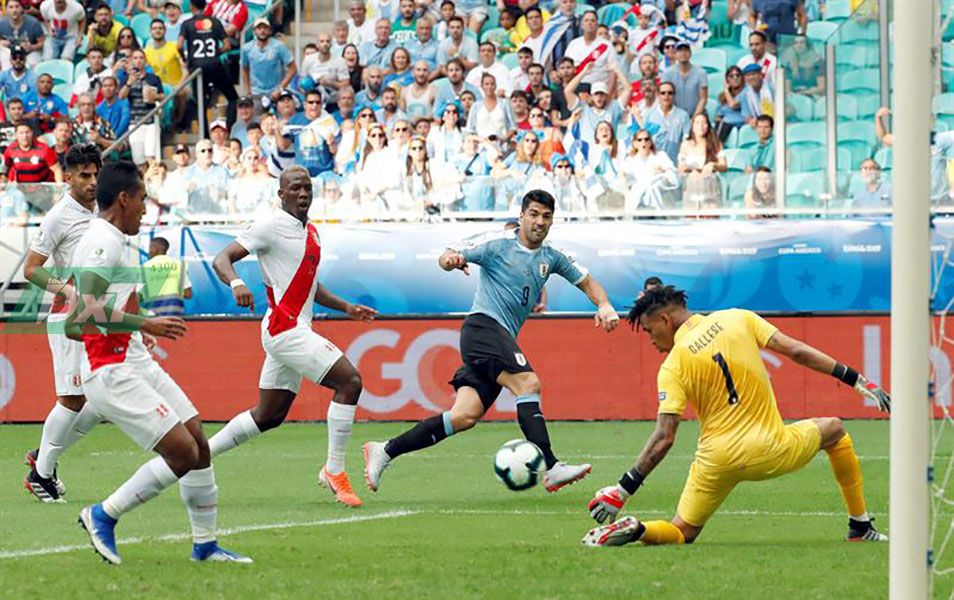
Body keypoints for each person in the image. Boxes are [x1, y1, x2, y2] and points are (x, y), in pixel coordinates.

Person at [583, 285, 889, 546]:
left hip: (717, 461)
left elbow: (665, 436)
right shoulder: (737, 318)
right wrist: (856, 379)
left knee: (681, 532)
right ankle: (860, 527)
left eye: (650, 331)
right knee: (834, 429)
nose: (651, 341)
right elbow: (795, 350)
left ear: (665, 319)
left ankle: (640, 529)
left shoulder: (673, 365)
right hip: (771, 449)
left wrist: (622, 490)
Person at [363, 189, 620, 493]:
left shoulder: (552, 257)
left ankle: (385, 450)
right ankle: (550, 468)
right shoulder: (497, 244)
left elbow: (587, 281)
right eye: (534, 214)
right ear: (521, 216)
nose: (540, 222)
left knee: (464, 416)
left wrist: (603, 304)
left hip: (497, 338)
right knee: (528, 384)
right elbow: (447, 255)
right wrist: (452, 260)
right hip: (482, 328)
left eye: (546, 216)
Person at [70, 160, 251, 564]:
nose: (146, 209)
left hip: (134, 360)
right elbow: (79, 318)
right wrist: (143, 321)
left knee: (199, 443)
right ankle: (103, 514)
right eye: (142, 200)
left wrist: (135, 328)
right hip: (111, 370)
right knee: (183, 453)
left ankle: (205, 547)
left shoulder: (113, 238)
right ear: (124, 199)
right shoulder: (102, 242)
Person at [209, 166, 376, 508]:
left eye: (308, 189)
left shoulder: (312, 232)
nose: (303, 194)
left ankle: (198, 453)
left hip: (292, 329)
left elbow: (310, 286)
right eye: (296, 189)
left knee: (268, 415)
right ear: (281, 194)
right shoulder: (269, 225)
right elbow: (221, 258)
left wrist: (347, 307)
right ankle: (335, 470)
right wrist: (237, 283)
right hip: (284, 329)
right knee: (351, 382)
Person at [21, 145, 102, 503]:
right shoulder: (58, 217)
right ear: (67, 177)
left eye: (95, 174)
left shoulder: (104, 209)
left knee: (99, 402)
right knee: (71, 398)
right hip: (67, 314)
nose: (92, 182)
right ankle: (40, 474)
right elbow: (32, 268)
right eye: (84, 175)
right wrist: (67, 291)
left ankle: (44, 456)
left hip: (96, 313)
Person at [179, 0, 238, 133]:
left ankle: (204, 135)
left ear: (191, 6)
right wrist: (216, 53)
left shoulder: (187, 24)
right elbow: (227, 45)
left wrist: (185, 59)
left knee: (200, 103)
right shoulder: (215, 22)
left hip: (196, 67)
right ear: (206, 6)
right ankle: (228, 129)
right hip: (214, 64)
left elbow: (178, 46)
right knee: (233, 98)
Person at [620, 128, 678, 211]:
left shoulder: (661, 156)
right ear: (635, 143)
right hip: (636, 204)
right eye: (639, 140)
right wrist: (623, 176)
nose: (643, 142)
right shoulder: (630, 160)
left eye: (646, 139)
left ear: (650, 142)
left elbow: (674, 178)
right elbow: (623, 179)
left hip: (658, 204)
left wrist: (664, 170)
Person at [240, 18, 296, 104]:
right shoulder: (247, 48)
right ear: (254, 31)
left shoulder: (279, 46)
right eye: (259, 28)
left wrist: (280, 88)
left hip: (276, 93)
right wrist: (248, 91)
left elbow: (293, 68)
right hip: (256, 93)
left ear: (270, 30)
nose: (262, 31)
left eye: (265, 28)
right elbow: (244, 69)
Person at [678, 112, 727, 209]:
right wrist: (692, 170)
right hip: (692, 184)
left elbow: (724, 166)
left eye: (704, 122)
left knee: (710, 216)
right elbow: (681, 168)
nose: (700, 125)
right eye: (697, 123)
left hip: (710, 185)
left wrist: (713, 165)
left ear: (708, 125)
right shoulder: (685, 144)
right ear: (692, 126)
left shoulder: (716, 143)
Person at [140, 236, 192, 316]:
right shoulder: (179, 265)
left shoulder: (143, 268)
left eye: (150, 248)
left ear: (154, 249)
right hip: (175, 318)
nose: (149, 251)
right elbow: (188, 294)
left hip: (151, 321)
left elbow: (135, 297)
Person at [0, 0, 45, 67]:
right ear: (6, 9)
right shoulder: (2, 23)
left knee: (32, 67)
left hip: (29, 54)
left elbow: (42, 42)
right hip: (9, 53)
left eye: (17, 6)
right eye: (11, 7)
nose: (14, 10)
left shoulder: (33, 23)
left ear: (22, 8)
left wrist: (31, 47)